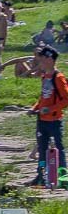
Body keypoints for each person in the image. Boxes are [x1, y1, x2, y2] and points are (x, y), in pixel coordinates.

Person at [28, 46, 68, 186]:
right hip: (42, 120)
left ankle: (63, 175)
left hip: (54, 120)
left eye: (42, 59)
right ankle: (41, 174)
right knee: (42, 148)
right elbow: (43, 97)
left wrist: (50, 109)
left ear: (50, 59)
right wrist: (35, 108)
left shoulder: (59, 77)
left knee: (59, 148)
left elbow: (66, 100)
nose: (40, 62)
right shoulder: (45, 76)